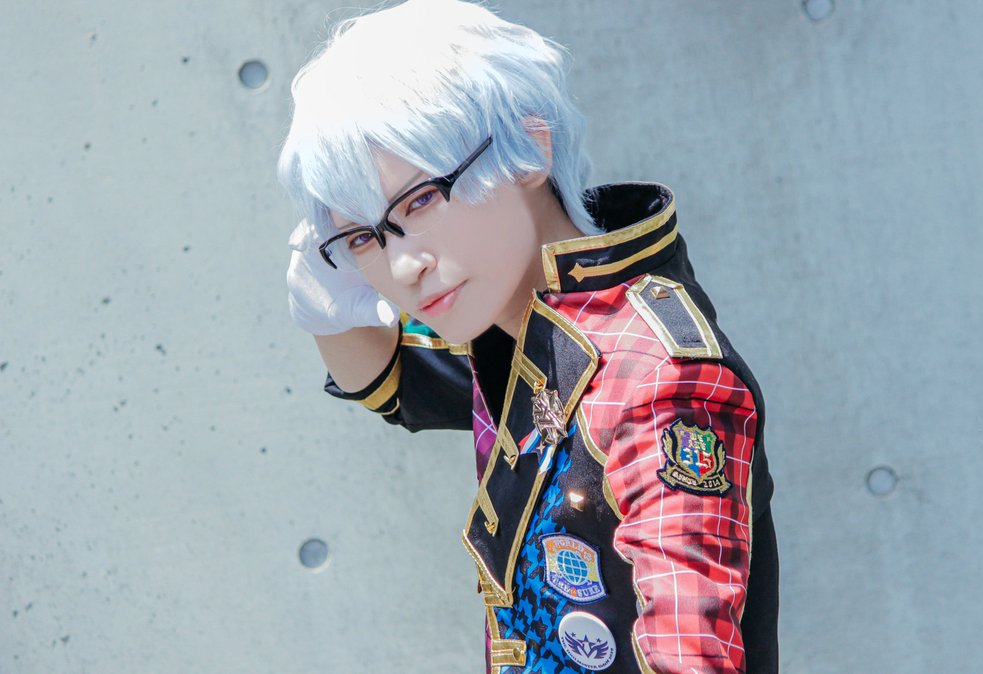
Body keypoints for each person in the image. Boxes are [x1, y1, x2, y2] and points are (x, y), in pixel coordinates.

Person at [278, 1, 778, 671]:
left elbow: (689, 654)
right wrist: (323, 301)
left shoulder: (655, 377)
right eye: (364, 238)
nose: (402, 266)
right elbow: (395, 386)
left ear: (529, 150)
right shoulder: (516, 323)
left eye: (421, 200)